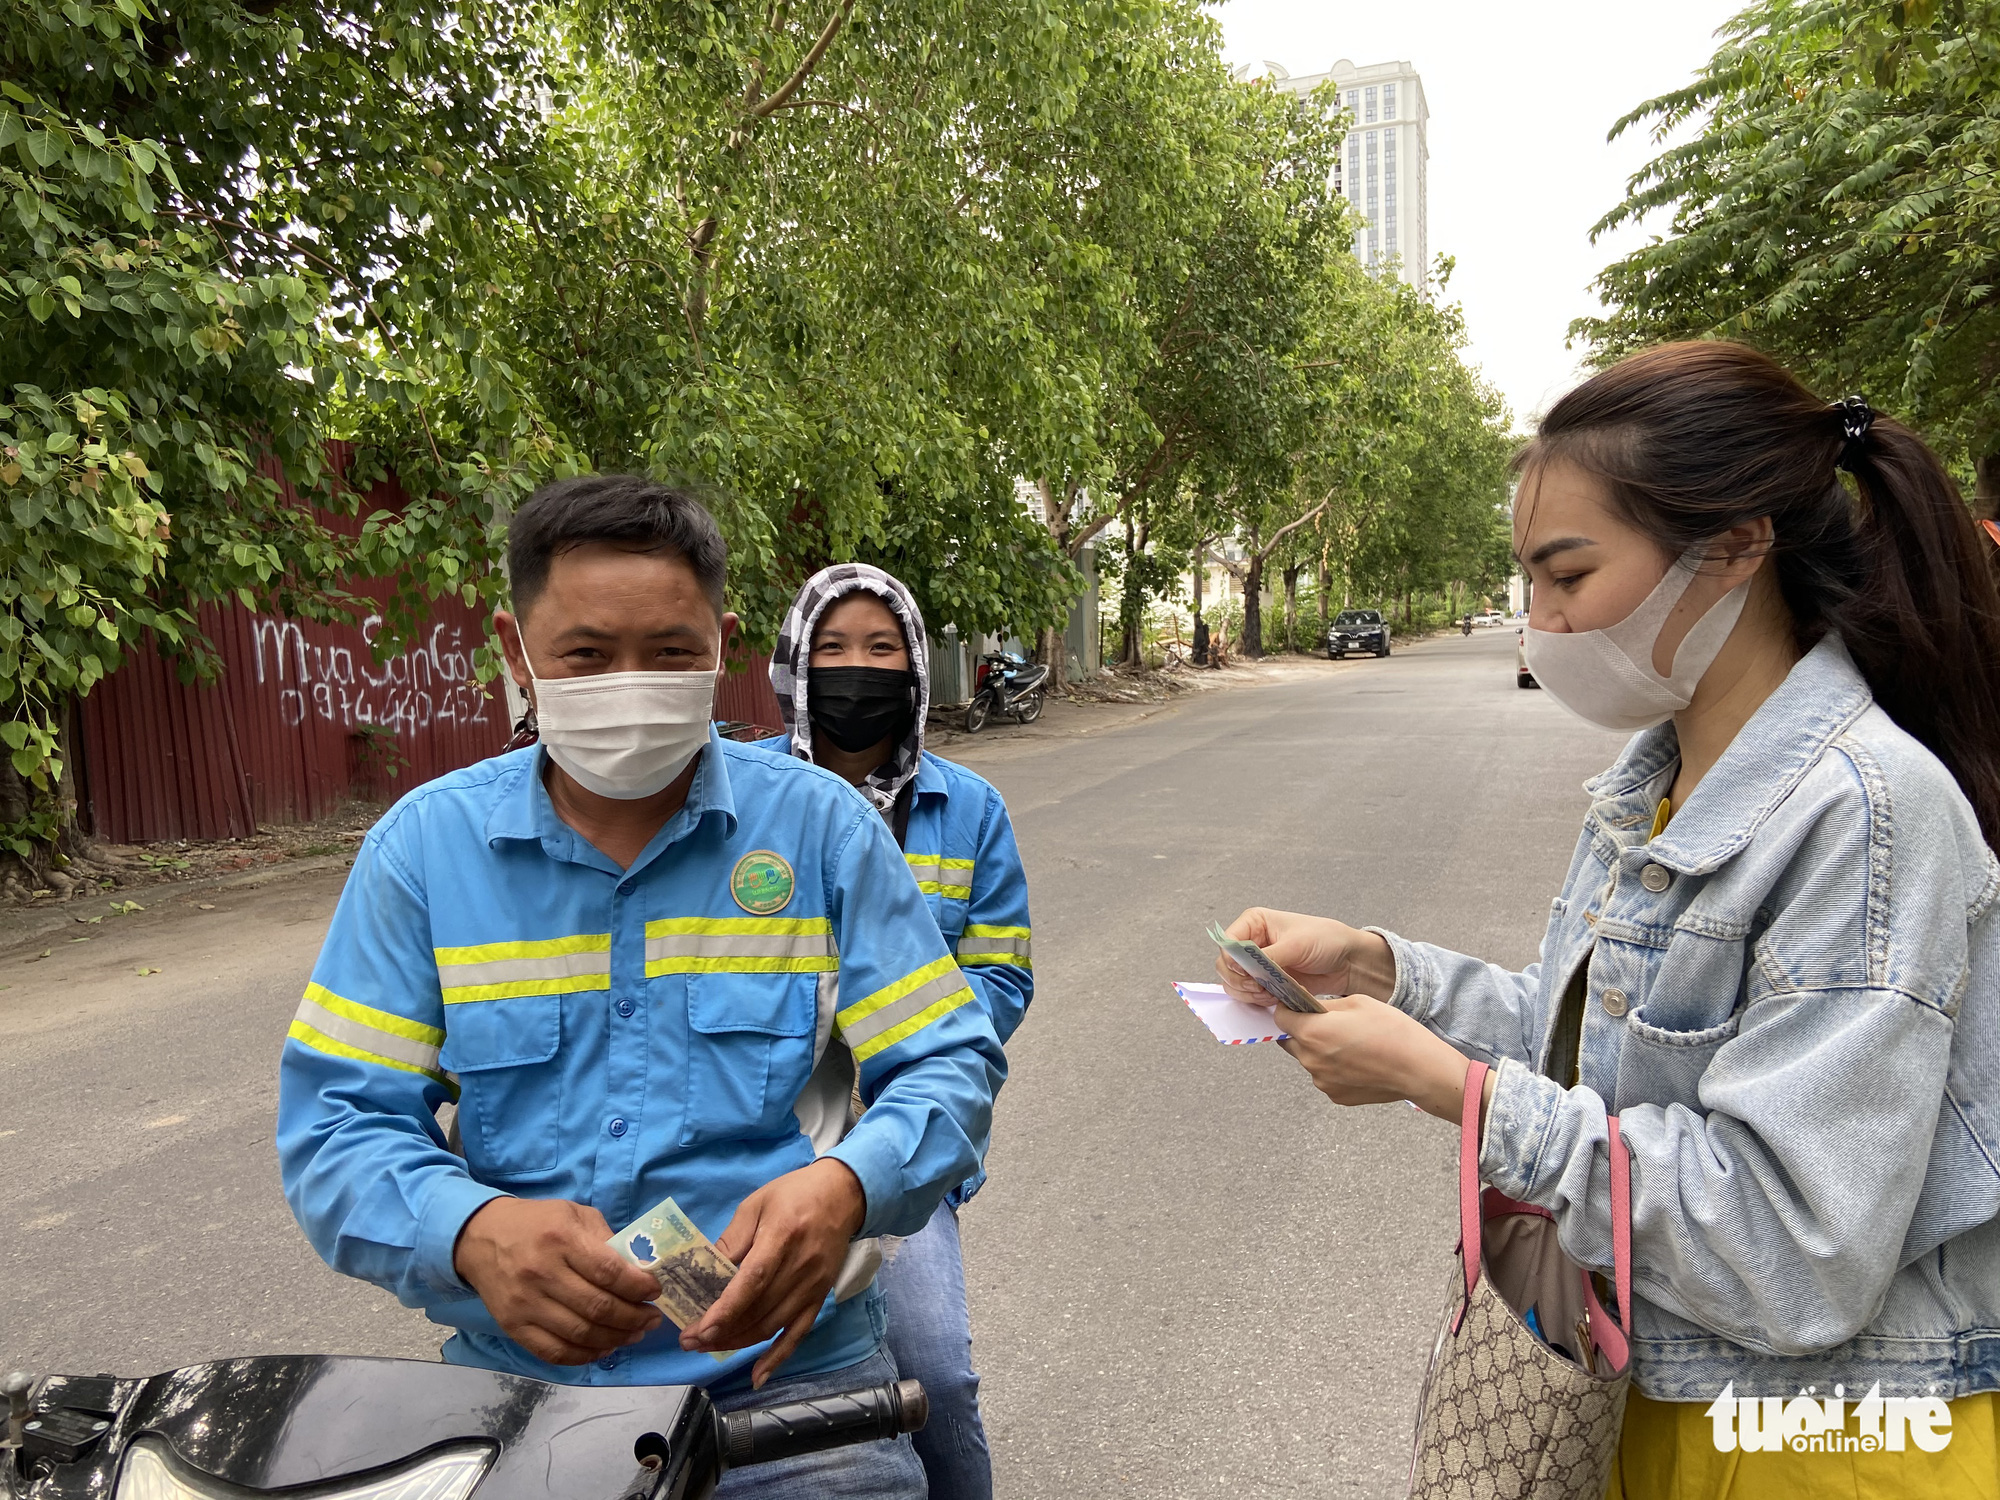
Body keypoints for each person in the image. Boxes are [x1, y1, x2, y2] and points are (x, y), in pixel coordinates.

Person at [1216, 343, 2000, 1498]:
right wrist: (1384, 972)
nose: (1537, 623)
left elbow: (1794, 1250)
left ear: (1735, 545)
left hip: (1817, 1449)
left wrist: (1455, 1092)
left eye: (1567, 577)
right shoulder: (1659, 779)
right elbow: (1616, 1045)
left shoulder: (1867, 816)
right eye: (1527, 581)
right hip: (1646, 1405)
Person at [277, 476, 1005, 1499]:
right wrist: (470, 1232)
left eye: (669, 653)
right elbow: (335, 1128)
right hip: (518, 1407)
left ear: (722, 642)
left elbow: (949, 1061)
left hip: (790, 1398)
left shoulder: (820, 831)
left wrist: (848, 1186)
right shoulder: (423, 851)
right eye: (584, 654)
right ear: (513, 647)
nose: (629, 683)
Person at [760, 563, 1033, 1500]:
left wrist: (899, 1040)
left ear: (915, 669)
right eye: (832, 649)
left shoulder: (970, 812)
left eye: (881, 650)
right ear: (793, 664)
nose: (856, 670)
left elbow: (1000, 977)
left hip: (897, 1133)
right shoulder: (744, 799)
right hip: (761, 1137)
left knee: (931, 1374)